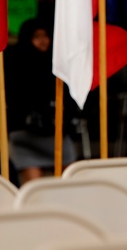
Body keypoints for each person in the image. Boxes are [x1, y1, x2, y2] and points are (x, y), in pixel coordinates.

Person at [5, 18, 76, 183]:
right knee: (34, 191)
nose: (42, 41)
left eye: (45, 36)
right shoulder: (15, 63)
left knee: (69, 185)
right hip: (26, 134)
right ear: (27, 39)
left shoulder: (58, 63)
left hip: (56, 131)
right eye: (36, 36)